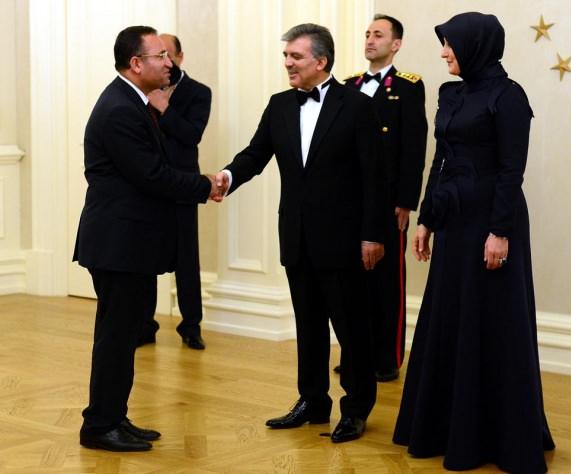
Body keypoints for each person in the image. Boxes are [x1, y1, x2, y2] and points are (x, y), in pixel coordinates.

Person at [392, 12, 555, 473]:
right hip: (454, 220)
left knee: (492, 320)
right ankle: (445, 428)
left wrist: (500, 232)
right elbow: (439, 160)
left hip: (491, 223)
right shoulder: (451, 93)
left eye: (450, 43)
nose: (444, 52)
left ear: (475, 46)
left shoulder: (509, 96)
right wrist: (427, 219)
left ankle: (497, 438)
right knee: (450, 316)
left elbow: (511, 170)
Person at [213, 23, 385, 443]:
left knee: (352, 329)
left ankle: (356, 408)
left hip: (344, 240)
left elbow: (375, 177)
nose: (287, 63)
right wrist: (227, 177)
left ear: (321, 61)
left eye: (296, 57)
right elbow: (255, 154)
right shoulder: (279, 106)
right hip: (297, 235)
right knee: (308, 326)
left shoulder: (357, 106)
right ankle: (312, 401)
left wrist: (372, 235)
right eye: (286, 56)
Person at [73, 26, 219, 452]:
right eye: (160, 56)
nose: (169, 63)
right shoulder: (121, 109)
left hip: (128, 243)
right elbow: (151, 175)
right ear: (136, 64)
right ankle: (100, 425)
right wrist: (204, 185)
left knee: (121, 336)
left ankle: (113, 416)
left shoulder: (131, 102)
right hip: (119, 243)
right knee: (116, 338)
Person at [340, 14, 428, 382]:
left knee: (387, 280)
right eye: (367, 34)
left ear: (396, 44)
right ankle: (354, 355)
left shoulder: (408, 86)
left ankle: (386, 357)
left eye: (378, 35)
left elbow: (414, 147)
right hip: (351, 200)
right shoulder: (349, 85)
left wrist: (406, 201)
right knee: (350, 281)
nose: (370, 40)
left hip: (390, 201)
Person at [138, 33, 212, 350]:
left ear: (180, 57)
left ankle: (191, 326)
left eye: (168, 54)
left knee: (186, 259)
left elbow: (192, 135)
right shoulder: (141, 89)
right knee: (143, 256)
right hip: (148, 185)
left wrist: (165, 108)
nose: (165, 61)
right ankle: (144, 325)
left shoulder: (198, 93)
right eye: (159, 55)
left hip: (182, 184)